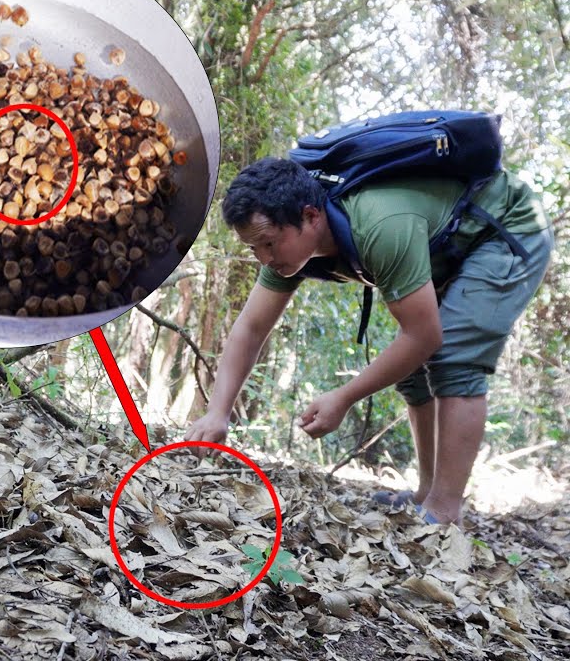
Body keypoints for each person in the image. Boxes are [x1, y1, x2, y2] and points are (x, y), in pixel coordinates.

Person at [185, 156, 552, 525]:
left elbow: (424, 336)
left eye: (268, 244)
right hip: (452, 242)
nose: (264, 259)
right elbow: (251, 327)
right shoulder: (289, 248)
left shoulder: (378, 225)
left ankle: (443, 510)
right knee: (411, 371)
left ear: (311, 217)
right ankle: (426, 491)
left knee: (454, 356)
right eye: (254, 249)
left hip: (506, 226)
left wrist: (343, 397)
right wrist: (218, 411)